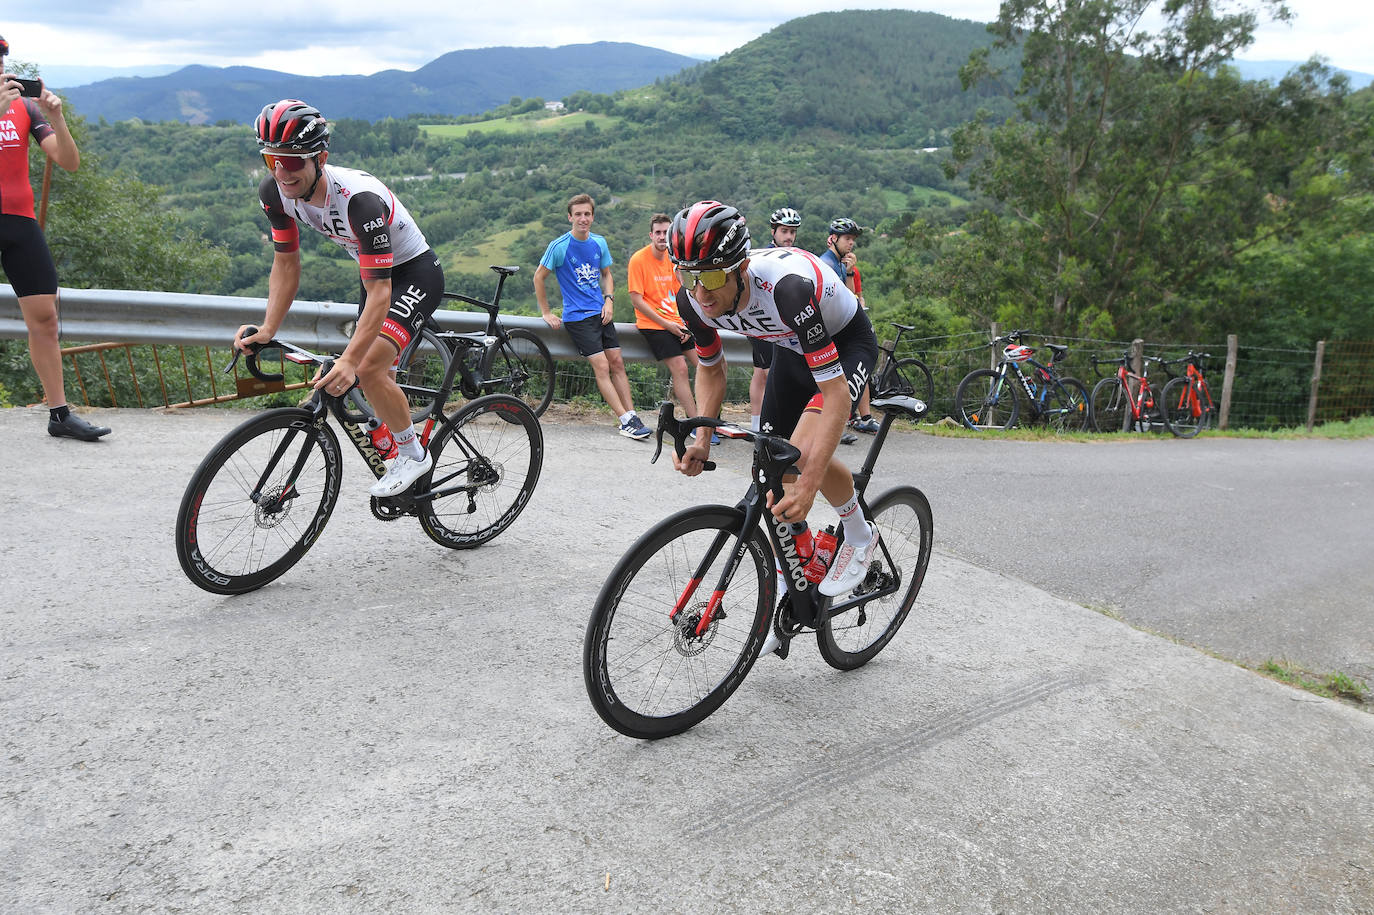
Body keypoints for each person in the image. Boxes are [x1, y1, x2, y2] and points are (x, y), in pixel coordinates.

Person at [668, 200, 881, 634]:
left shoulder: (787, 290)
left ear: (741, 267)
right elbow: (711, 368)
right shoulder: (692, 300)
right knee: (771, 468)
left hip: (845, 345)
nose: (701, 293)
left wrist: (810, 484)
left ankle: (860, 535)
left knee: (800, 457)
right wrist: (702, 441)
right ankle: (791, 581)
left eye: (712, 277)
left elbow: (835, 395)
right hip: (793, 352)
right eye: (689, 276)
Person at [236, 99, 445, 498]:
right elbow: (286, 264)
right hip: (373, 274)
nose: (281, 172)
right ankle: (389, 435)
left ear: (320, 159)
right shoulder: (274, 193)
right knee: (371, 374)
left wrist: (351, 361)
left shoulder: (358, 201)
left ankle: (413, 456)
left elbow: (382, 291)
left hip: (414, 274)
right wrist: (268, 328)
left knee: (366, 367)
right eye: (271, 160)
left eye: (292, 162)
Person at [1, 37, 109, 441]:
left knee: (45, 318)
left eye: (1, 58)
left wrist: (56, 117)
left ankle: (60, 415)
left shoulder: (24, 107)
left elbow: (69, 161)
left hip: (19, 220)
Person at [535, 194, 650, 440]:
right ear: (570, 217)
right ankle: (624, 420)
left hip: (601, 313)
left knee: (617, 362)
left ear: (593, 217)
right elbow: (538, 277)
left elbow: (607, 274)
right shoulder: (559, 246)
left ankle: (633, 415)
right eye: (578, 214)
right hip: (578, 317)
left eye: (587, 214)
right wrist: (546, 312)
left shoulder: (599, 242)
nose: (583, 219)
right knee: (602, 366)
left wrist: (609, 300)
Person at [627, 213, 698, 416]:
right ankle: (696, 422)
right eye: (657, 232)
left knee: (706, 365)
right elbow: (636, 300)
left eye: (666, 233)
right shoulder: (638, 260)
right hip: (654, 324)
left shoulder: (674, 259)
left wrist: (684, 324)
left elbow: (683, 294)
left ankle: (710, 417)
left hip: (678, 322)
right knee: (680, 368)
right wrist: (669, 326)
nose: (661, 237)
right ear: (651, 235)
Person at [819, 217, 880, 435]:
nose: (851, 243)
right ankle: (832, 425)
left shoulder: (840, 264)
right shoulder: (827, 265)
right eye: (847, 238)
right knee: (834, 381)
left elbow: (850, 298)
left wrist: (850, 270)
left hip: (839, 329)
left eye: (853, 239)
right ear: (832, 239)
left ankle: (847, 420)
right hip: (831, 332)